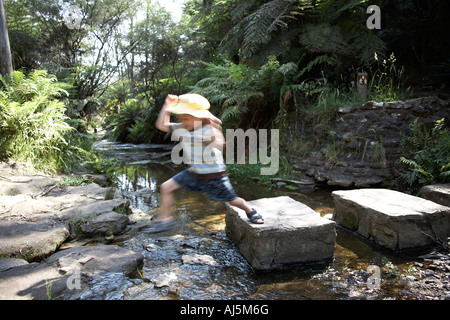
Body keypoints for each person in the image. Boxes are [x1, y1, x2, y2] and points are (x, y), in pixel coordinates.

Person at [141, 93, 264, 234]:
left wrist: (212, 124)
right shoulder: (181, 128)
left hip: (214, 176)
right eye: (180, 117)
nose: (183, 121)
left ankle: (250, 210)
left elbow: (219, 143)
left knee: (233, 200)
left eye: (186, 118)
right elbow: (161, 125)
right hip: (195, 173)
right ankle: (164, 220)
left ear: (198, 116)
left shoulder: (207, 129)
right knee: (165, 187)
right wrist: (167, 106)